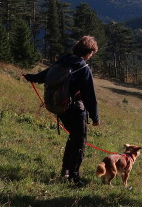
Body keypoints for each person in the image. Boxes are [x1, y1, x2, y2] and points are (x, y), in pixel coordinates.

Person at [24, 35, 100, 187]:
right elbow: (89, 96)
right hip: (75, 109)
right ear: (88, 52)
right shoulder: (83, 68)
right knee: (80, 142)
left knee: (73, 138)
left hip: (60, 108)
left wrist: (30, 77)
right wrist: (95, 117)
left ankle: (66, 170)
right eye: (91, 53)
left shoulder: (62, 61)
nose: (91, 56)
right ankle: (74, 177)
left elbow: (43, 76)